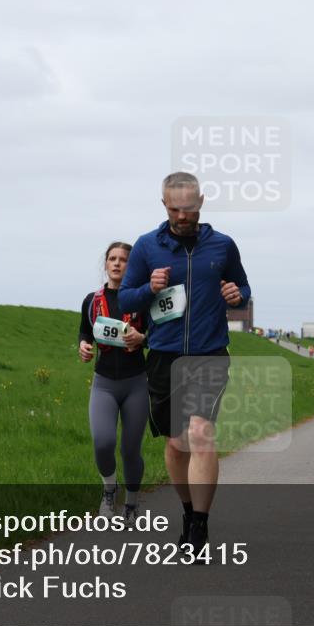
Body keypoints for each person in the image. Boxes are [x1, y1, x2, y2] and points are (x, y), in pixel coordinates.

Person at [119, 172, 251, 553]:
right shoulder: (147, 247)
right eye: (175, 208)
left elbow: (243, 289)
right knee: (177, 444)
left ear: (201, 202)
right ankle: (188, 508)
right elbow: (126, 299)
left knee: (200, 434)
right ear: (164, 205)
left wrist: (235, 293)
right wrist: (150, 288)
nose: (182, 215)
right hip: (163, 356)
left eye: (189, 208)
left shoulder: (222, 245)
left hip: (209, 355)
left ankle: (200, 526)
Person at [78, 242, 149, 524]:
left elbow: (156, 335)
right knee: (103, 442)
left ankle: (131, 504)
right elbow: (85, 332)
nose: (117, 263)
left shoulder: (143, 299)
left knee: (131, 449)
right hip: (104, 383)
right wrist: (83, 346)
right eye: (112, 259)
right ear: (106, 264)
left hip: (136, 383)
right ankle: (109, 489)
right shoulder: (92, 300)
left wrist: (142, 338)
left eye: (124, 260)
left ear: (132, 266)